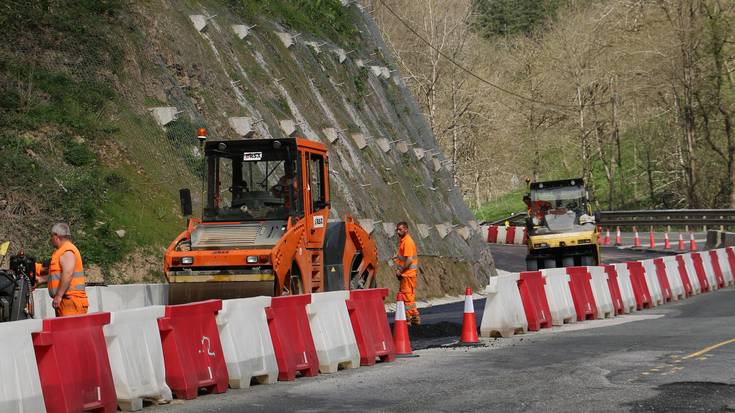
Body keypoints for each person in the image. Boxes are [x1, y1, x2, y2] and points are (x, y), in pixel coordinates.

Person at [41, 223, 89, 316]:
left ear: (56, 236)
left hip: (71, 302)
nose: (51, 239)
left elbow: (68, 273)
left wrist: (58, 296)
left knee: (71, 330)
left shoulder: (67, 250)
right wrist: (41, 279)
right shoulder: (61, 251)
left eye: (51, 236)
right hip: (66, 302)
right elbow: (58, 276)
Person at [393, 222, 420, 326]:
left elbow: (409, 260)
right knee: (408, 296)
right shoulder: (403, 241)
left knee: (407, 296)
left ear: (406, 230)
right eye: (397, 230)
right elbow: (403, 258)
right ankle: (412, 317)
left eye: (400, 229)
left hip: (407, 274)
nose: (398, 232)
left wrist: (400, 270)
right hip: (407, 274)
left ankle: (411, 317)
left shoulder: (407, 242)